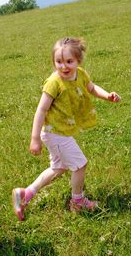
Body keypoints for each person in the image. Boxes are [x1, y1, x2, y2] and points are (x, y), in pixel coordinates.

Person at [12, 37, 120, 221]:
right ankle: (77, 201)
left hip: (62, 132)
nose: (64, 67)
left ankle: (25, 193)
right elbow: (41, 109)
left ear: (79, 61)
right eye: (59, 62)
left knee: (59, 167)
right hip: (55, 133)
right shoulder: (54, 83)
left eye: (69, 61)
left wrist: (107, 96)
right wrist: (35, 138)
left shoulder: (81, 74)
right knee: (80, 165)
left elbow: (92, 88)